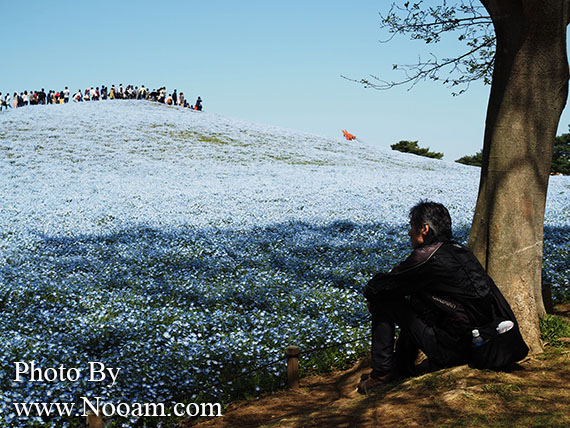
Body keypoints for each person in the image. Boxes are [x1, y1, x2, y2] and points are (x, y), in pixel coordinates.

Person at [358, 201, 516, 394]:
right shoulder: (460, 251)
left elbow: (378, 287)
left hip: (451, 350)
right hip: (477, 346)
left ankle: (382, 374)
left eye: (411, 226)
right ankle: (402, 368)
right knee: (414, 300)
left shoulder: (427, 257)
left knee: (382, 301)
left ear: (424, 229)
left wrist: (376, 294)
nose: (409, 233)